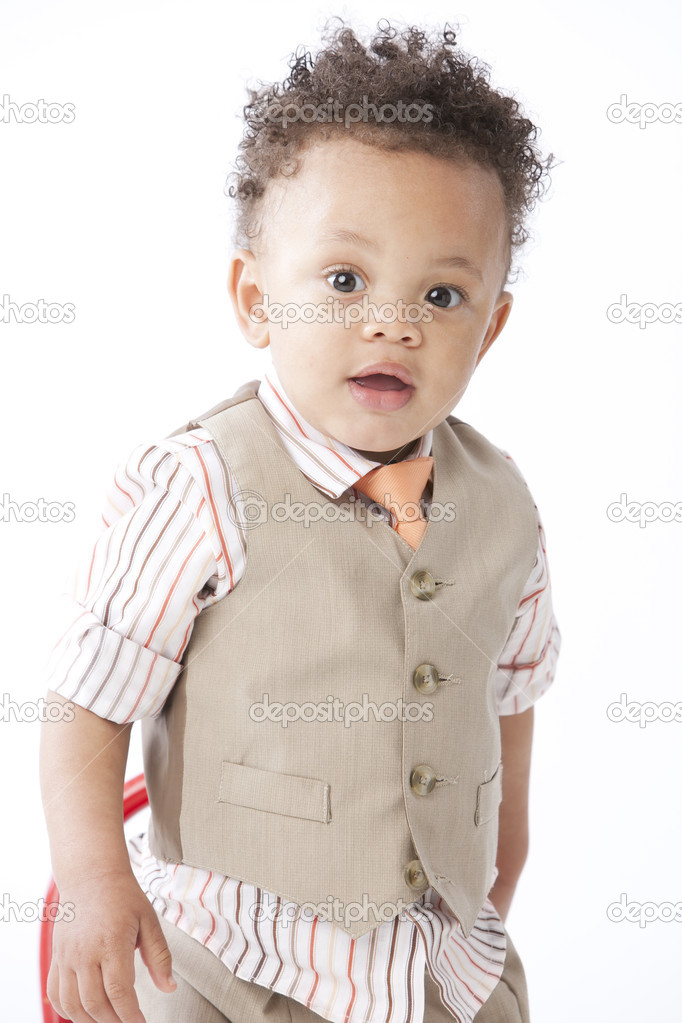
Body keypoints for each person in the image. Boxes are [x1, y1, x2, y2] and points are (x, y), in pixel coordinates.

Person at [40, 18, 561, 1023]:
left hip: (438, 966)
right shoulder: (198, 483)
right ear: (255, 299)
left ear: (491, 326)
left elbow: (511, 686)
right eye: (344, 280)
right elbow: (87, 699)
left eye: (442, 293)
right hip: (224, 958)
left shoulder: (504, 504)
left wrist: (504, 853)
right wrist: (96, 882)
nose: (393, 322)